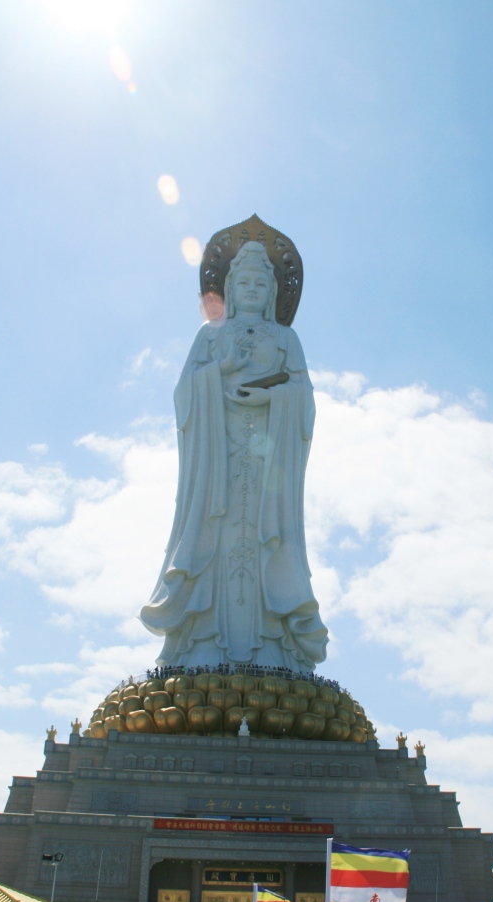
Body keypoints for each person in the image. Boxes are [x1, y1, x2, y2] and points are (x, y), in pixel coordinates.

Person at [140, 239, 328, 672]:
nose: (250, 289)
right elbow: (184, 393)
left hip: (267, 473)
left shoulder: (286, 338)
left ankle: (275, 651)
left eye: (260, 284)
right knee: (216, 535)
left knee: (265, 541)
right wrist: (220, 373)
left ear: (271, 294)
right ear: (227, 287)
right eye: (242, 281)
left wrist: (272, 399)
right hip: (216, 470)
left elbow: (304, 400)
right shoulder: (210, 336)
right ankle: (201, 650)